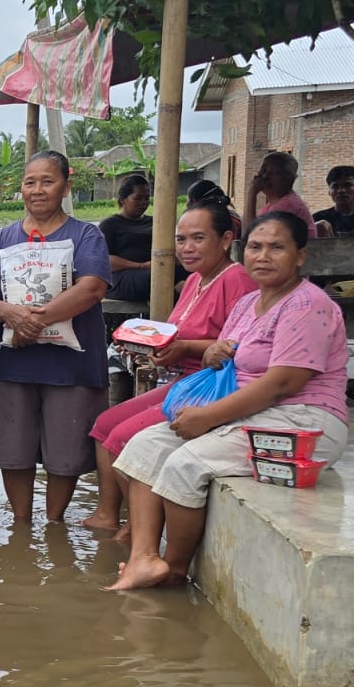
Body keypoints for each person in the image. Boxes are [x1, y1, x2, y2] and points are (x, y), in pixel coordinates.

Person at [110, 211, 349, 591]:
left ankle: (173, 571)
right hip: (247, 410)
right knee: (145, 446)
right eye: (255, 246)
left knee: (185, 465)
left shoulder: (308, 304)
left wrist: (207, 417)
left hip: (304, 421)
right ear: (243, 250)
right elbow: (230, 360)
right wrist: (213, 353)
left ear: (300, 256)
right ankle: (143, 558)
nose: (263, 256)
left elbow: (282, 383)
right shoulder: (248, 302)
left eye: (277, 247)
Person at [82, 200, 256, 533]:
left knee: (121, 438)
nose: (187, 248)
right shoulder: (195, 280)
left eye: (198, 238)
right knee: (103, 425)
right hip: (181, 380)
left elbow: (240, 349)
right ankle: (109, 514)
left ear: (225, 240)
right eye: (181, 239)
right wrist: (144, 345)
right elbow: (176, 336)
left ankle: (137, 528)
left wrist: (185, 348)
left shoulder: (237, 281)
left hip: (209, 386)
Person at [0, 150, 112, 523]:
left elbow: (91, 289)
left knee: (66, 448)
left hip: (71, 365)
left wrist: (30, 320)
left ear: (66, 186)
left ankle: (55, 521)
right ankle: (20, 522)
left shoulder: (87, 236)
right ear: (21, 188)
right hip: (12, 363)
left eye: (48, 181)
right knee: (13, 447)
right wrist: (10, 315)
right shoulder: (0, 241)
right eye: (30, 182)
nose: (38, 190)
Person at [98, 174, 157, 302]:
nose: (143, 203)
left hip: (156, 270)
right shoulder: (110, 225)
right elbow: (104, 260)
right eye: (138, 198)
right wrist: (142, 266)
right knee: (154, 280)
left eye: (147, 198)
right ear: (123, 199)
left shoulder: (154, 222)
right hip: (122, 276)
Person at [248, 151, 317, 235]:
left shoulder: (288, 205)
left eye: (276, 172)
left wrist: (251, 194)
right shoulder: (272, 205)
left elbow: (250, 235)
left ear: (289, 179)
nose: (265, 176)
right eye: (263, 170)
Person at [313, 165, 354, 238]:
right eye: (335, 186)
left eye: (347, 185)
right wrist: (313, 228)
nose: (341, 190)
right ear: (329, 192)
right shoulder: (318, 218)